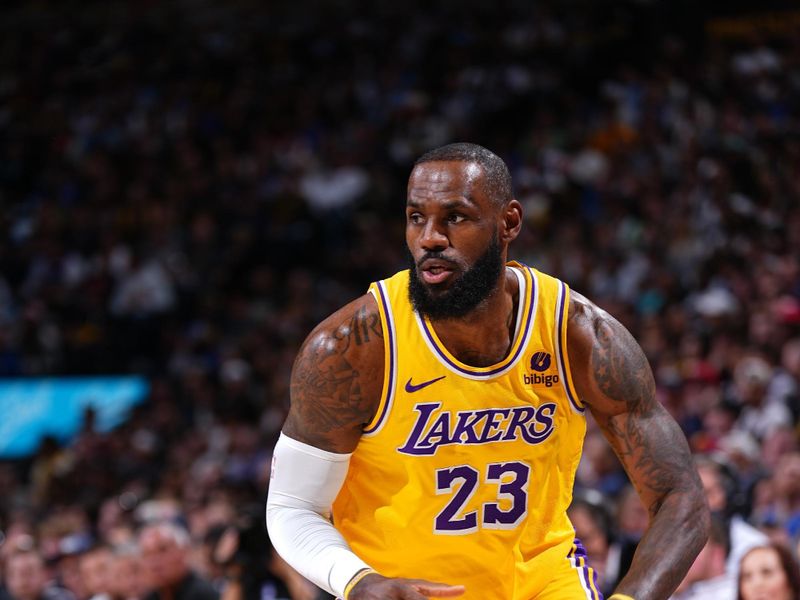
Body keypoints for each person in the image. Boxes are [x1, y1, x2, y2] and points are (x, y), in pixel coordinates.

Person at [266, 143, 709, 599]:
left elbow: (681, 497)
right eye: (417, 217)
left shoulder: (578, 335)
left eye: (455, 217)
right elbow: (292, 507)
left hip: (542, 584)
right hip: (401, 590)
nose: (430, 238)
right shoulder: (353, 347)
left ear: (508, 223)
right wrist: (357, 581)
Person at [138, 522, 218, 600]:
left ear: (184, 551)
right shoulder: (149, 596)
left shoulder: (204, 595)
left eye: (163, 550)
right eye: (147, 554)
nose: (154, 563)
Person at [671, 516, 735, 600]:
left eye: (692, 544)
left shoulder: (738, 591)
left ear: (717, 554)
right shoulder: (683, 590)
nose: (683, 553)